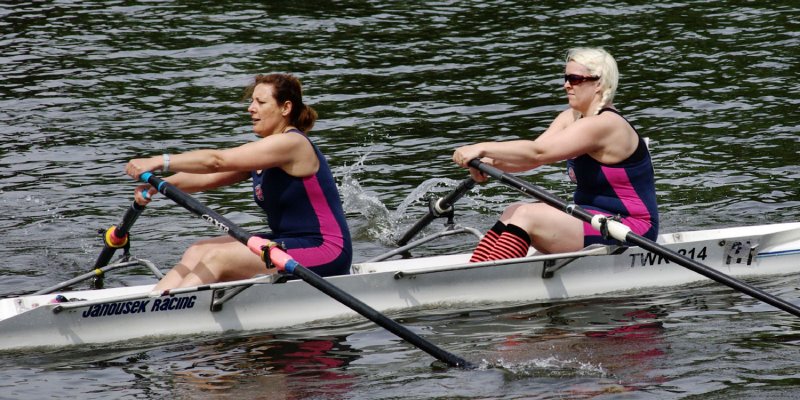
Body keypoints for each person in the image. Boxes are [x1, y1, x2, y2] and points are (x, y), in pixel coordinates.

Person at [125, 73, 352, 291]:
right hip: (288, 243)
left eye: (260, 102)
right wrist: (156, 186)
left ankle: (169, 312)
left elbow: (216, 161)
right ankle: (152, 301)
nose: (250, 108)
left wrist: (158, 161)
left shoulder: (293, 144)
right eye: (252, 101)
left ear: (286, 108)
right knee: (198, 249)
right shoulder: (263, 153)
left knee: (219, 258)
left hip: (326, 249)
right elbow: (207, 177)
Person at [453, 47, 658, 262]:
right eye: (566, 77)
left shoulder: (606, 125)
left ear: (598, 83)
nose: (566, 85)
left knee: (528, 216)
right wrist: (488, 163)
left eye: (575, 79)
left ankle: (487, 281)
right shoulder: (570, 117)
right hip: (590, 216)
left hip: (631, 228)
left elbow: (538, 153)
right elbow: (531, 157)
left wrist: (482, 147)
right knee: (513, 210)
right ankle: (476, 270)